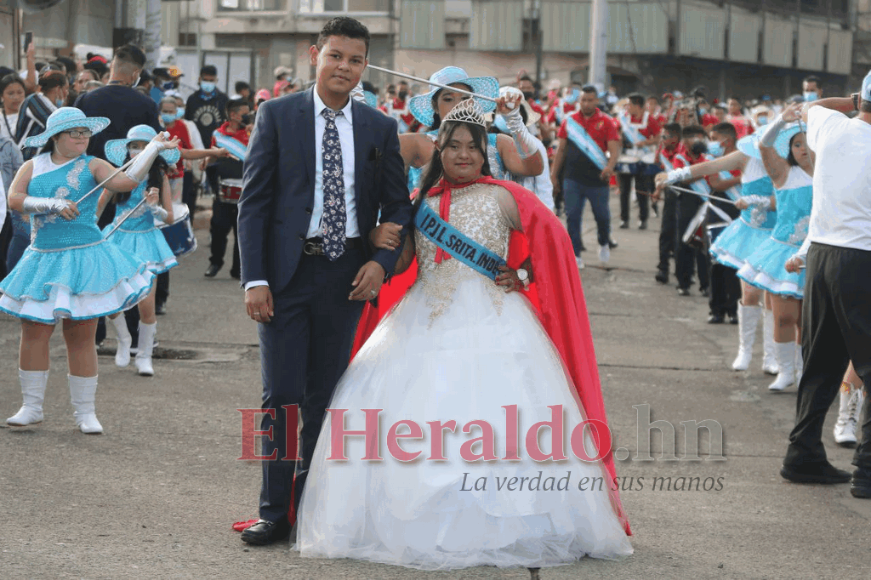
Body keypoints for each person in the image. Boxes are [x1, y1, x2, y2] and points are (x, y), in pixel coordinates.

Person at [297, 97, 632, 570]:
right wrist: (379, 241)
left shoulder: (505, 196)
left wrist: (526, 275)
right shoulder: (421, 203)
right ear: (439, 150)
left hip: (495, 318)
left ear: (484, 152)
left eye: (471, 147)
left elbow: (551, 241)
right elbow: (408, 260)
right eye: (452, 146)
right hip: (425, 318)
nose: (462, 155)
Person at [236, 16, 414, 545]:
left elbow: (399, 205)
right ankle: (274, 510)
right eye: (335, 56)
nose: (344, 67)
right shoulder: (277, 115)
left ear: (365, 66)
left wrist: (381, 264)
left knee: (327, 397)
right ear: (316, 54)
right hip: (287, 277)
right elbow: (255, 202)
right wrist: (255, 280)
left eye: (355, 60)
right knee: (281, 395)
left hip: (347, 278)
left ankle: (313, 506)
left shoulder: (379, 127)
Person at [1, 108, 178, 433]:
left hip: (85, 257)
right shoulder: (33, 164)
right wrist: (48, 204)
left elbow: (127, 179)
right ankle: (31, 406)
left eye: (85, 132)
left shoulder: (93, 164)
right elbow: (14, 198)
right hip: (42, 257)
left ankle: (85, 412)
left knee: (80, 334)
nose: (82, 137)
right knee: (33, 333)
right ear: (56, 137)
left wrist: (152, 148)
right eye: (74, 132)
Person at [779, 79, 871, 492]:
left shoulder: (831, 128)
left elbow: (810, 104)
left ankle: (803, 455)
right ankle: (867, 472)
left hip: (821, 258)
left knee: (819, 362)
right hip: (864, 259)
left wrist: (853, 100)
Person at [655, 124, 780, 375]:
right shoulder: (746, 155)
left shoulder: (786, 159)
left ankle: (771, 357)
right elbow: (708, 167)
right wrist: (674, 175)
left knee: (773, 299)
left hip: (778, 234)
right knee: (751, 292)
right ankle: (745, 351)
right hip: (751, 232)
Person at [737, 104, 811, 392]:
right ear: (789, 149)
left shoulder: (829, 175)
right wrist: (782, 120)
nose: (803, 148)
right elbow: (764, 143)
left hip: (815, 254)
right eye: (796, 144)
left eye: (807, 143)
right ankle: (785, 371)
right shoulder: (783, 174)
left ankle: (805, 371)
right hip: (783, 252)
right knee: (783, 316)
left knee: (807, 319)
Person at [99, 125, 178, 375]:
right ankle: (123, 339)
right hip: (117, 239)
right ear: (127, 150)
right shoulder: (118, 174)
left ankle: (145, 356)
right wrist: (86, 232)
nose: (139, 151)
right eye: (134, 146)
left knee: (146, 303)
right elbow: (99, 206)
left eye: (145, 147)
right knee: (111, 298)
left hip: (146, 242)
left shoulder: (159, 177)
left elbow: (170, 218)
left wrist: (155, 208)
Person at [550, 85, 621, 269]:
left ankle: (604, 242)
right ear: (579, 101)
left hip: (598, 180)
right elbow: (561, 150)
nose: (587, 103)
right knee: (572, 216)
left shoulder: (606, 122)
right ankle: (576, 254)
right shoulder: (570, 121)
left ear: (596, 101)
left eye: (590, 100)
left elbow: (614, 151)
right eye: (583, 100)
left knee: (602, 217)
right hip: (572, 178)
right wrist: (553, 175)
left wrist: (609, 168)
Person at [204, 96, 250, 279]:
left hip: (246, 191)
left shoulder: (251, 133)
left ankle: (238, 269)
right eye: (245, 114)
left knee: (242, 231)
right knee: (218, 228)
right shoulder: (218, 135)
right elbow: (212, 159)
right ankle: (215, 262)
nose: (248, 117)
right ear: (233, 115)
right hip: (223, 190)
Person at [489, 87, 554, 211]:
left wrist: (547, 214)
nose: (504, 114)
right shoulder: (489, 143)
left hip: (528, 212)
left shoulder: (535, 145)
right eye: (500, 110)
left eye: (511, 111)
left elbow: (543, 185)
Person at [615, 93, 662, 230]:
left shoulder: (650, 120)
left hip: (643, 159)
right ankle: (624, 219)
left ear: (637, 106)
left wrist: (647, 142)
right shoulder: (623, 118)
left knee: (642, 191)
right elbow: (615, 132)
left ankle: (643, 219)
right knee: (624, 191)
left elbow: (659, 137)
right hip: (625, 158)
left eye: (629, 105)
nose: (627, 107)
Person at [185, 65, 229, 201]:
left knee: (218, 190)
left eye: (211, 80)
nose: (208, 83)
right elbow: (187, 125)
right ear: (200, 79)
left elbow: (226, 124)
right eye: (205, 80)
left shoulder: (223, 99)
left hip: (216, 150)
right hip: (197, 150)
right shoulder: (192, 100)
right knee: (192, 189)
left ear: (216, 80)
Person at [653, 123, 684, 284]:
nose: (662, 140)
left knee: (682, 235)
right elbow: (664, 174)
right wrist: (658, 190)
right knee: (666, 232)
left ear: (675, 138)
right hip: (670, 195)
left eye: (665, 137)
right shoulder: (663, 151)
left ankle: (683, 273)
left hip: (685, 196)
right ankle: (662, 268)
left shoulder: (684, 152)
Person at [1, 74, 26, 144]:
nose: (16, 97)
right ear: (1, 97)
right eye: (10, 93)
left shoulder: (31, 116)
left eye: (19, 92)